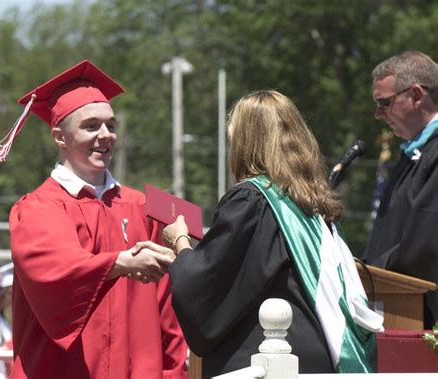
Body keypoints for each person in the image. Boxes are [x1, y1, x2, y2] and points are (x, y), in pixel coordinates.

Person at [163, 90, 383, 378]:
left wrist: (181, 243)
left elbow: (205, 285)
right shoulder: (312, 206)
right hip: (315, 360)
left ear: (244, 143)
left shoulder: (253, 202)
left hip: (266, 364)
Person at [0, 60, 188, 378]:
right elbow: (58, 269)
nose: (105, 135)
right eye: (91, 126)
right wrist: (121, 262)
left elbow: (169, 310)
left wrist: (172, 373)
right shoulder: (37, 208)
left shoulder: (148, 205)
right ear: (60, 137)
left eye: (111, 125)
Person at [363, 51, 438, 328]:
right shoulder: (413, 154)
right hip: (400, 310)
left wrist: (369, 273)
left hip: (426, 318)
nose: (378, 114)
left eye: (384, 103)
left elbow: (425, 246)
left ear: (417, 95)